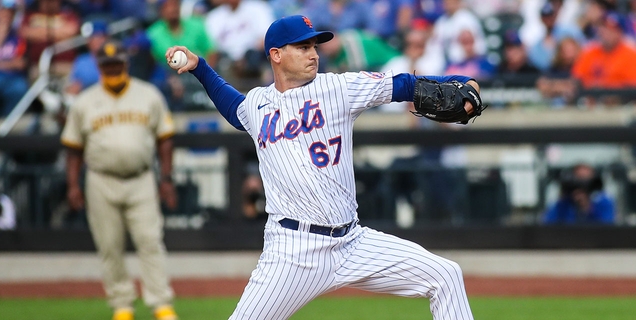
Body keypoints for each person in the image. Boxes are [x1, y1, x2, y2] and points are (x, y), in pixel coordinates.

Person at [166, 14, 479, 319]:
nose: (313, 54)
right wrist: (201, 68)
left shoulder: (339, 88)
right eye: (302, 47)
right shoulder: (258, 104)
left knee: (445, 275)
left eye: (314, 47)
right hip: (293, 251)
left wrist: (463, 82)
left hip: (353, 242)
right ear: (276, 54)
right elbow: (234, 109)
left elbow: (404, 84)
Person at [60, 40, 179, 320]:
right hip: (101, 179)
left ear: (126, 63)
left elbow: (165, 139)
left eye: (117, 63)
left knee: (150, 241)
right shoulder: (85, 101)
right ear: (100, 67)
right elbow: (73, 149)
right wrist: (73, 185)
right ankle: (122, 306)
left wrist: (167, 179)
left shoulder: (148, 94)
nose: (113, 68)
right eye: (107, 64)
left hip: (141, 178)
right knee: (109, 246)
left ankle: (161, 304)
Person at [542, 163, 615, 225]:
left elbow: (607, 227)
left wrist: (587, 207)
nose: (581, 184)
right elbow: (548, 223)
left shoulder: (603, 201)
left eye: (585, 180)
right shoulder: (563, 203)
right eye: (578, 179)